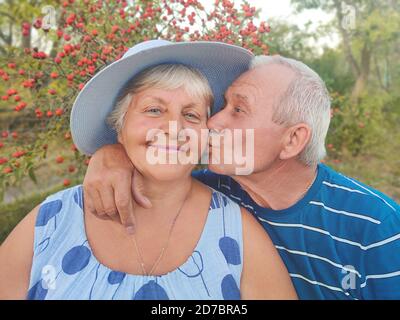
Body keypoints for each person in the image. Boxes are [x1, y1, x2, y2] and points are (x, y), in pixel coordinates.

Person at [82, 52, 400, 299]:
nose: (214, 122)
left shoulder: (374, 227)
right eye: (223, 105)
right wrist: (112, 154)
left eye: (238, 110)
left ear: (292, 140)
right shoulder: (210, 192)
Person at [0, 40, 297, 300]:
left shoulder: (237, 232)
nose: (174, 128)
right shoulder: (51, 221)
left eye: (191, 115)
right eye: (154, 110)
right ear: (119, 126)